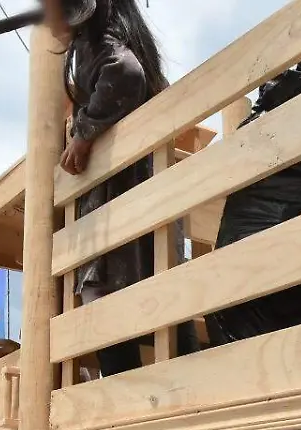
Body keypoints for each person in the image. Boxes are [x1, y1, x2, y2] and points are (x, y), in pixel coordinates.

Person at [42, 0, 196, 377]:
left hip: (117, 197)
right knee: (165, 290)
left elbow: (124, 72)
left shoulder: (98, 43)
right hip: (145, 191)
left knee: (102, 293)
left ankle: (126, 404)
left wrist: (84, 131)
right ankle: (186, 389)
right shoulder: (124, 39)